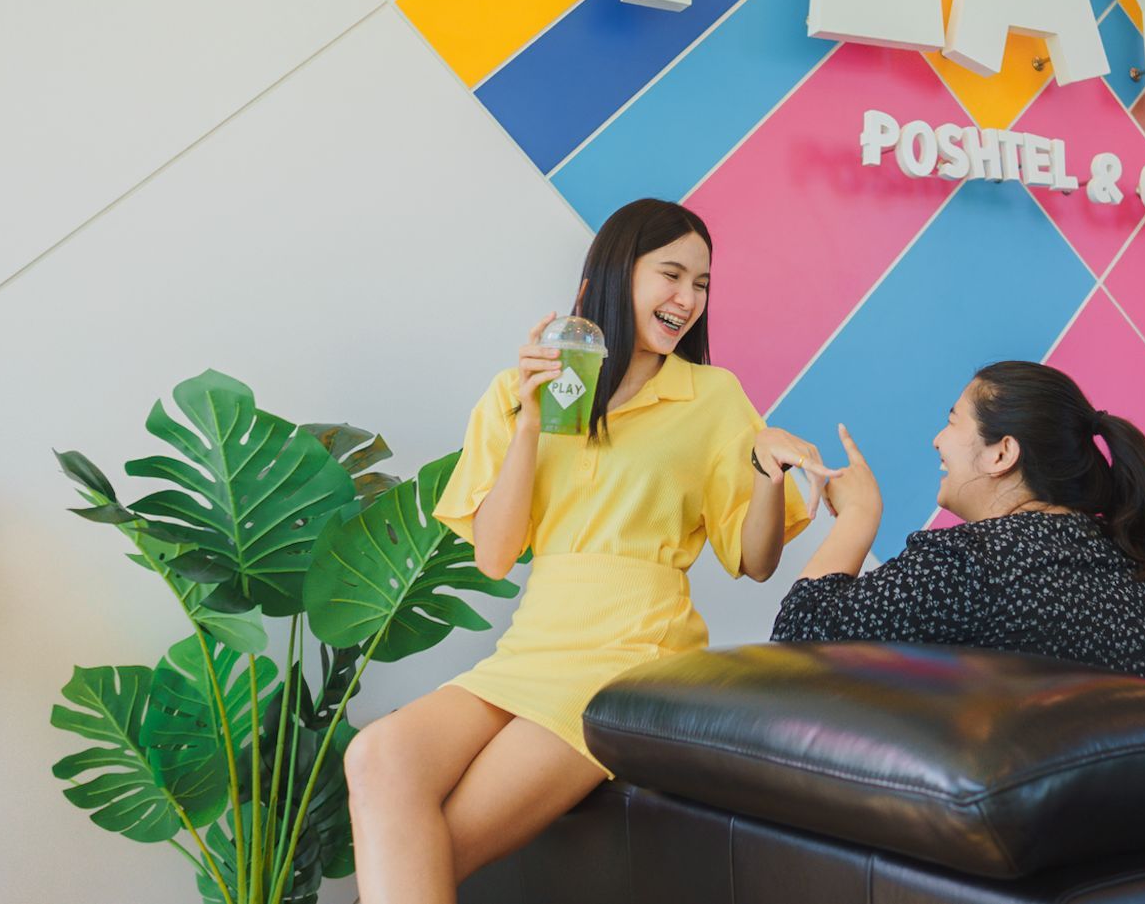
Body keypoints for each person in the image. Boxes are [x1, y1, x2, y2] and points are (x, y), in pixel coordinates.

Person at [344, 199, 839, 904]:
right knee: (377, 754)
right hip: (534, 645)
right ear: (615, 272)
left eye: (701, 283)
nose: (688, 298)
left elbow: (755, 560)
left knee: (432, 849)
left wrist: (766, 472)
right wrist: (528, 421)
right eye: (672, 274)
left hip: (632, 651)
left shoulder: (712, 395)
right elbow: (494, 554)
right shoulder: (521, 389)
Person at [770, 359, 1145, 897]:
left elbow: (798, 637)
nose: (937, 441)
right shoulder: (1144, 566)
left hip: (1078, 861)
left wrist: (858, 518)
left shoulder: (971, 560)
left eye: (951, 423)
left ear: (1002, 454)